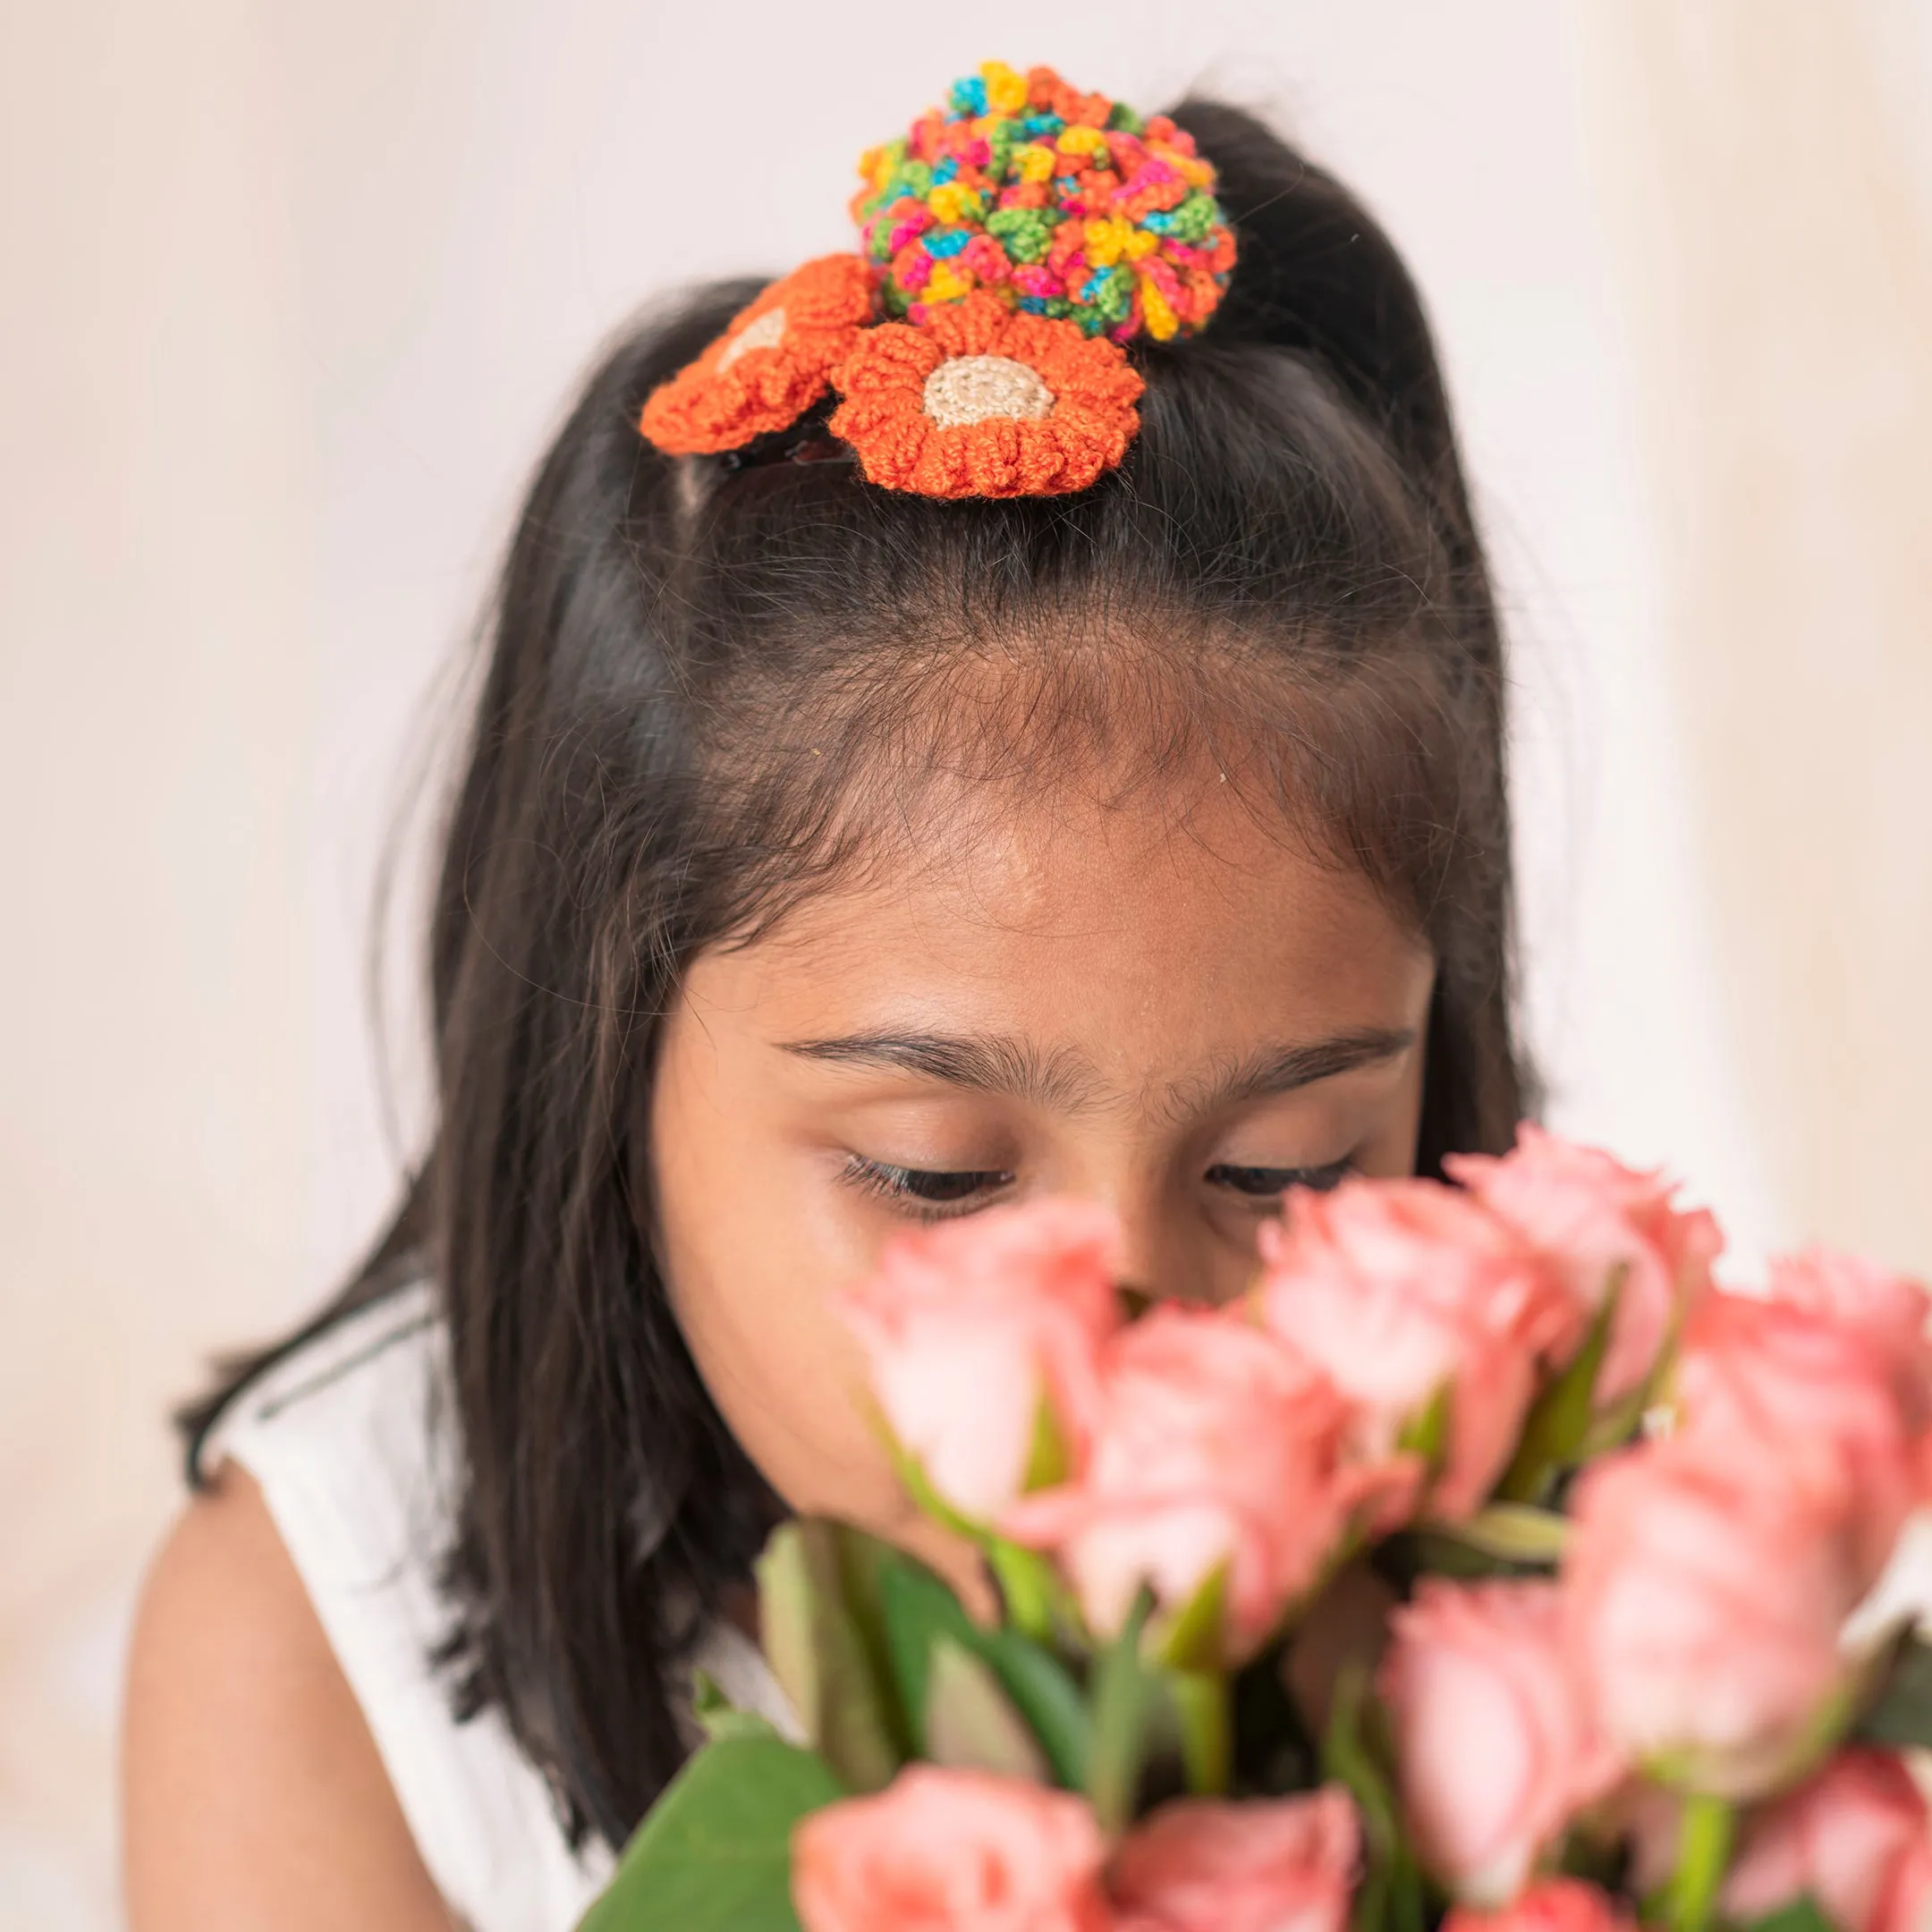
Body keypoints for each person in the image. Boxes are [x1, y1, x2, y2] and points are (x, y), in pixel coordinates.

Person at [122, 63, 1530, 1931]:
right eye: (939, 1175)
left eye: (1283, 1170)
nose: (1118, 1350)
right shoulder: (315, 1652)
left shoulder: (1537, 1575)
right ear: (609, 1074)